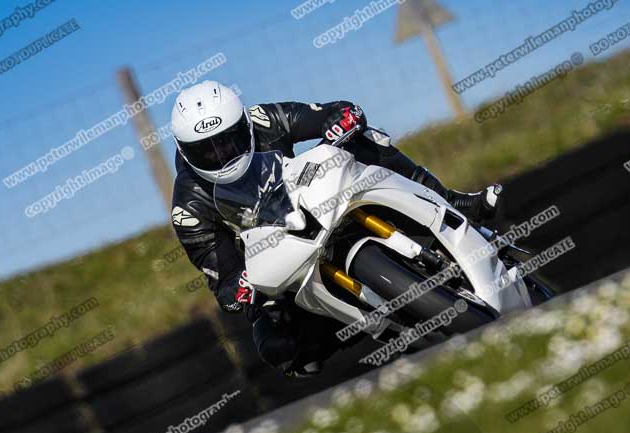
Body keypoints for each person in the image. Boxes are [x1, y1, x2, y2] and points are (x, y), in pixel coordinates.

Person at [170, 81, 501, 376]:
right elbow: (223, 280)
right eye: (207, 151)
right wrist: (239, 289)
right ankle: (379, 332)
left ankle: (449, 201)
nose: (222, 154)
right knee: (277, 346)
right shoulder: (188, 208)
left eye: (229, 141)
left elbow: (330, 113)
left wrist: (343, 119)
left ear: (243, 124)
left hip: (317, 200)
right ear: (186, 153)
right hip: (280, 264)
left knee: (365, 139)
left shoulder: (264, 120)